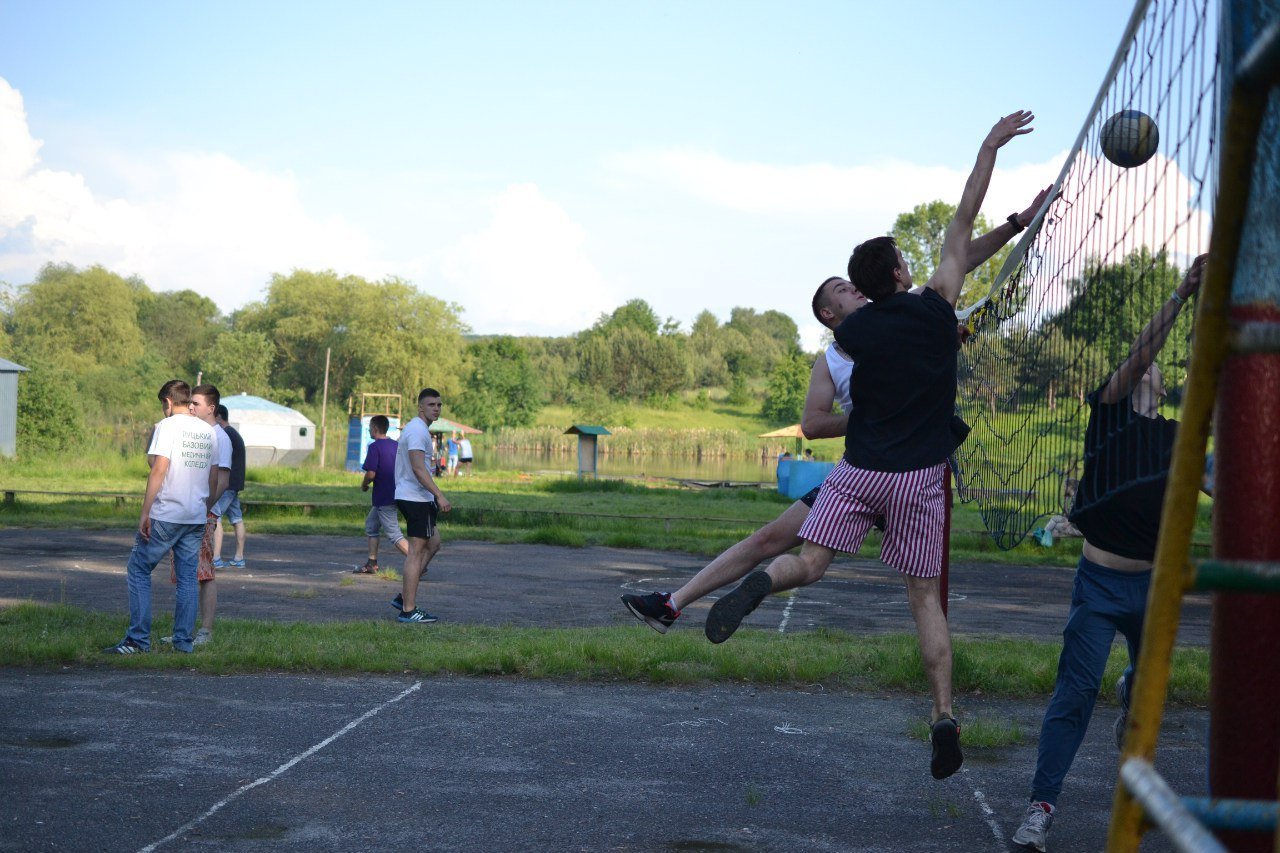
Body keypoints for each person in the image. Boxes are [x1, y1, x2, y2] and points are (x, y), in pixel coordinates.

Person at [702, 110, 1036, 782]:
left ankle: (764, 581)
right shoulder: (938, 305)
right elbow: (963, 220)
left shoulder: (851, 337)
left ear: (862, 291)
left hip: (860, 471)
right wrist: (989, 146)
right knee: (924, 599)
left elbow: (928, 265)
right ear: (903, 271)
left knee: (810, 561)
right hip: (918, 478)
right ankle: (943, 714)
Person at [621, 185, 1051, 638]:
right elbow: (811, 424)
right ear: (829, 314)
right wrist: (872, 416)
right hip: (865, 470)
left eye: (855, 285)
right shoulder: (831, 360)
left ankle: (937, 676)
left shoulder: (906, 312)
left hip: (913, 469)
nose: (856, 290)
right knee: (771, 540)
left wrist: (1017, 222)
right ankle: (671, 604)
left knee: (912, 587)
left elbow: (961, 257)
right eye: (844, 290)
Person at [1012, 254, 1209, 852]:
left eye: (1153, 370)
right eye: (1139, 364)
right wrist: (1181, 293)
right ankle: (1042, 804)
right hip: (1098, 584)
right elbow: (1141, 354)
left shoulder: (1177, 437)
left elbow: (1219, 475)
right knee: (1074, 694)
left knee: (1148, 690)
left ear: (1164, 386)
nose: (1144, 368)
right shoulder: (1107, 415)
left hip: (1155, 586)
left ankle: (1131, 688)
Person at [103, 380, 222, 655]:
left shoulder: (166, 427)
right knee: (188, 579)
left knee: (139, 569)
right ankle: (183, 642)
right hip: (195, 516)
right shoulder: (208, 431)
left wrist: (145, 511)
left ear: (168, 402)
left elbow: (158, 469)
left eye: (162, 405)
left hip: (167, 513)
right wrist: (204, 507)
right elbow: (213, 475)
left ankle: (137, 640)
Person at [390, 388, 452, 623]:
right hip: (415, 498)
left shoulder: (418, 429)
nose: (436, 408)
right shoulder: (417, 430)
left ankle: (404, 595)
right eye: (431, 405)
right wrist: (439, 495)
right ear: (420, 407)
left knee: (433, 543)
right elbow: (418, 468)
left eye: (439, 405)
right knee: (415, 553)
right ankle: (408, 610)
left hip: (417, 497)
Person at [176, 384, 231, 647]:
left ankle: (206, 631)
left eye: (196, 403)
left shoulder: (220, 437)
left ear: (211, 408)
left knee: (205, 573)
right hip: (188, 513)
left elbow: (223, 481)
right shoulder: (196, 432)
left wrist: (205, 508)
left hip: (204, 515)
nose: (190, 407)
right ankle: (183, 631)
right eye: (190, 402)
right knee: (186, 573)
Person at [355, 414, 408, 573]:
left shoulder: (374, 447)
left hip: (384, 496)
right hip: (397, 493)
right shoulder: (396, 445)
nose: (369, 430)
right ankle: (372, 564)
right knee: (371, 525)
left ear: (375, 428)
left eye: (370, 428)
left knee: (394, 534)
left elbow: (371, 474)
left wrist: (364, 485)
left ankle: (418, 562)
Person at [211, 404, 247, 569]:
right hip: (235, 484)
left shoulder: (225, 435)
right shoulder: (234, 433)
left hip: (227, 485)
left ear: (219, 417)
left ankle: (215, 558)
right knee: (236, 519)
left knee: (214, 516)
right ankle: (239, 557)